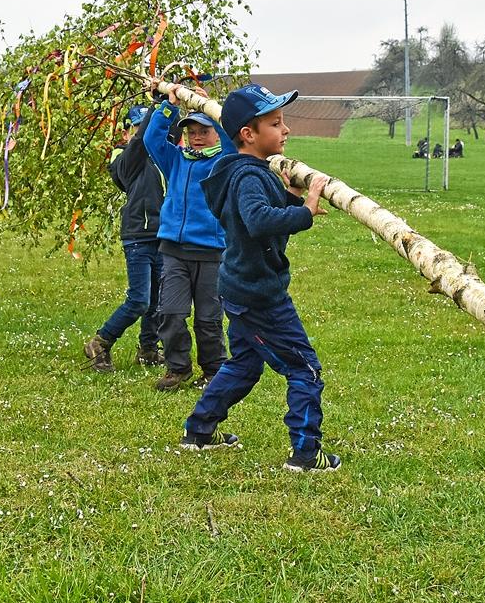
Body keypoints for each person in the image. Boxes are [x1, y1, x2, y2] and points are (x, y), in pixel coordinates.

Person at [182, 83, 339, 472]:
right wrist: (304, 210)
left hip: (239, 288)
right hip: (259, 295)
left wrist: (288, 197)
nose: (285, 130)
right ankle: (306, 454)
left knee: (244, 365)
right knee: (304, 368)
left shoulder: (240, 171)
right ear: (249, 135)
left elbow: (255, 209)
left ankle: (199, 431)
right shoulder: (248, 176)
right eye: (276, 123)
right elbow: (257, 219)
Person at [144, 82, 235, 391]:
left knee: (208, 319)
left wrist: (210, 110)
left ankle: (213, 369)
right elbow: (152, 139)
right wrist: (168, 106)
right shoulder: (176, 160)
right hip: (173, 251)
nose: (196, 137)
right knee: (170, 313)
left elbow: (233, 145)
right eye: (191, 132)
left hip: (211, 253)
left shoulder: (223, 163)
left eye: (203, 131)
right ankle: (177, 368)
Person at [83, 105, 167, 373]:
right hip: (138, 237)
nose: (141, 129)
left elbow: (166, 132)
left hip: (162, 236)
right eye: (137, 125)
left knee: (157, 300)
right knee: (139, 300)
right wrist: (156, 109)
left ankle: (148, 349)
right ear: (127, 130)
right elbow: (141, 141)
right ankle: (100, 341)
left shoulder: (160, 155)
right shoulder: (124, 157)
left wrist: (175, 104)